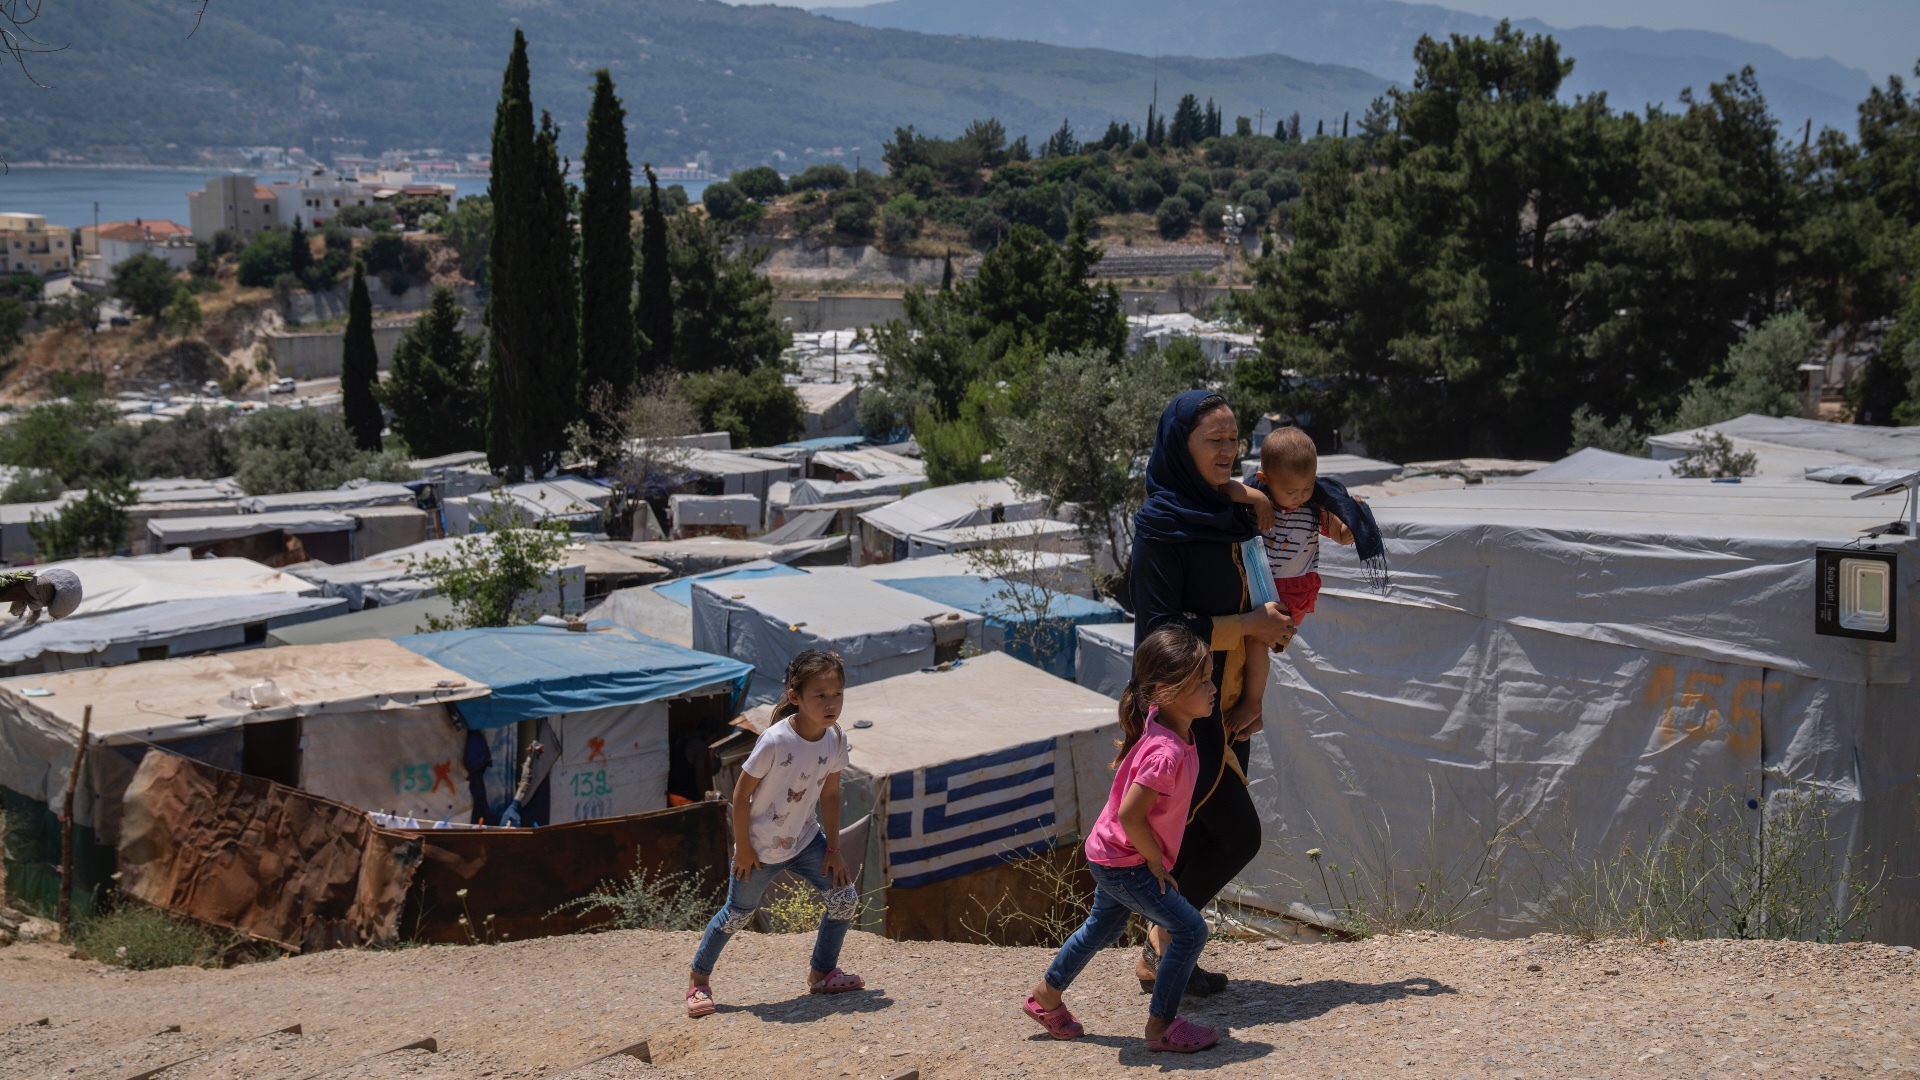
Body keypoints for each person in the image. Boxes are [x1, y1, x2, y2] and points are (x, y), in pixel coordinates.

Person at [1129, 390, 1296, 997]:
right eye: (1214, 440)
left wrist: (1254, 692)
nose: (1228, 451)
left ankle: (1167, 957)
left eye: (1234, 439)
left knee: (1199, 836)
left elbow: (1256, 590)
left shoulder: (1231, 515)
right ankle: (1159, 940)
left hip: (1227, 707)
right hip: (1180, 710)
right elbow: (1159, 630)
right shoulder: (1160, 528)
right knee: (1238, 835)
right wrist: (1247, 626)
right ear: (1182, 446)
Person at [1022, 625, 1223, 1053]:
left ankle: (1046, 996)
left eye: (1210, 677)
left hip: (1109, 853)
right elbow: (1132, 814)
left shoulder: (1167, 727)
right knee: (1189, 930)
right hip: (1126, 862)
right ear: (1166, 692)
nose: (1213, 688)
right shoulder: (1166, 751)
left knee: (1104, 927)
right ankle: (1162, 1026)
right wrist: (1154, 862)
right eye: (1203, 681)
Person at [685, 650, 864, 1018]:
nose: (831, 704)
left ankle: (822, 972)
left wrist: (833, 849)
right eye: (820, 695)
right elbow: (740, 795)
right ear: (795, 696)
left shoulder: (835, 738)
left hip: (805, 841)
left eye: (838, 694)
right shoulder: (775, 741)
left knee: (845, 899)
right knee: (737, 915)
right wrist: (743, 849)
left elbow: (831, 794)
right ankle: (698, 981)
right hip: (759, 849)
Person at [1222, 425, 1386, 720]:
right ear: (1264, 479)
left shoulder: (1314, 510)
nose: (1300, 497)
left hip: (1292, 591)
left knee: (1255, 639)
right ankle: (1245, 698)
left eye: (1308, 488)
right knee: (1244, 646)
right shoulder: (1257, 500)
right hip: (1259, 585)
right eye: (1290, 491)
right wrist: (1259, 499)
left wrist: (1353, 523)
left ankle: (1253, 703)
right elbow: (1224, 488)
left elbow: (1340, 535)